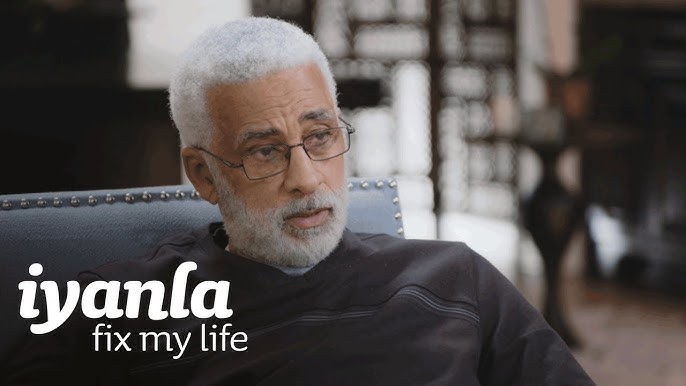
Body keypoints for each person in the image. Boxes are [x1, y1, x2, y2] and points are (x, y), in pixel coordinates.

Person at [3, 16, 595, 385]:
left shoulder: (454, 278)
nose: (308, 179)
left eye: (321, 136)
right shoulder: (128, 309)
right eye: (264, 151)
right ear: (204, 176)